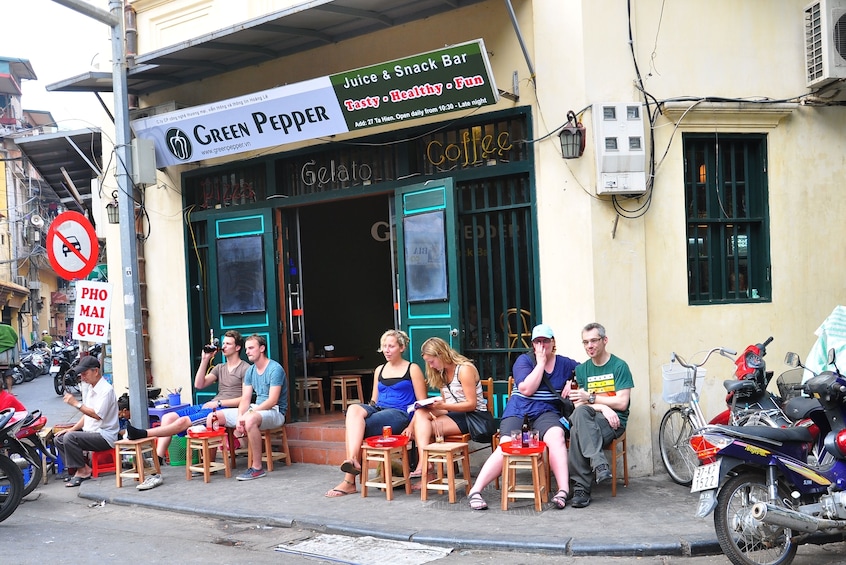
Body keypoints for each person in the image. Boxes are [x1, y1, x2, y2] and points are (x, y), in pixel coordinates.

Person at [466, 323, 579, 510]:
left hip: (547, 412)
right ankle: (475, 490)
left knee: (556, 436)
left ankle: (563, 491)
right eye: (538, 341)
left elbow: (585, 371)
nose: (542, 345)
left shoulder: (565, 363)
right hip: (519, 410)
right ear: (533, 344)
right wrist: (541, 364)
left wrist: (573, 381)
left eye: (546, 341)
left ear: (553, 342)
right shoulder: (524, 361)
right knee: (507, 445)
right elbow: (526, 389)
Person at [324, 329, 427, 497]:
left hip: (399, 413)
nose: (386, 350)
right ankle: (352, 460)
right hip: (379, 409)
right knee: (353, 410)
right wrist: (361, 414)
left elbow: (421, 404)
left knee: (356, 428)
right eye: (384, 346)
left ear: (401, 347)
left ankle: (349, 480)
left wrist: (411, 425)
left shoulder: (412, 368)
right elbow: (373, 400)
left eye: (391, 346)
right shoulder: (380, 369)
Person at [126, 330, 249, 464]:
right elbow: (199, 384)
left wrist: (218, 403)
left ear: (237, 347)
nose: (224, 346)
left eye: (228, 344)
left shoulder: (245, 368)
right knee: (168, 417)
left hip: (224, 408)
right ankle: (158, 458)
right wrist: (205, 360)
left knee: (181, 422)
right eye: (223, 343)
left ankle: (144, 433)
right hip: (210, 405)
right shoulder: (220, 367)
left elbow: (244, 398)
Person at [567, 322, 634, 509]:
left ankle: (581, 488)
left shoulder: (619, 366)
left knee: (576, 432)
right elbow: (579, 405)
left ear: (605, 340)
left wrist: (591, 398)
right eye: (585, 342)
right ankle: (599, 464)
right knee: (580, 416)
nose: (590, 346)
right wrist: (603, 407)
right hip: (594, 416)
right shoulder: (581, 370)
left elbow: (622, 403)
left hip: (614, 422)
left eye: (594, 340)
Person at [208, 334, 287, 481]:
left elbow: (272, 401)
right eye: (246, 349)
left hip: (275, 412)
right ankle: (211, 465)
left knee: (250, 419)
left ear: (262, 348)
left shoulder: (275, 369)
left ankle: (257, 468)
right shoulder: (250, 370)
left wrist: (248, 414)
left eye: (251, 348)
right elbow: (245, 398)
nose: (248, 352)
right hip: (256, 408)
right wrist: (239, 417)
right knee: (213, 417)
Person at [411, 337, 485, 481]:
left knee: (424, 429)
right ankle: (425, 464)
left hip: (472, 415)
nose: (430, 366)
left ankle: (426, 466)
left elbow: (471, 404)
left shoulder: (464, 369)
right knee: (420, 413)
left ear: (441, 354)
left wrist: (443, 406)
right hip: (453, 412)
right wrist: (433, 405)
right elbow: (446, 401)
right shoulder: (442, 372)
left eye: (431, 362)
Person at [53, 356, 119, 487]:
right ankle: (80, 468)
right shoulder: (91, 388)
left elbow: (96, 415)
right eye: (81, 374)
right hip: (91, 432)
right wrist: (71, 429)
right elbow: (87, 414)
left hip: (104, 436)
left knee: (70, 438)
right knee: (59, 438)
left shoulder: (106, 390)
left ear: (95, 371)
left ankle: (83, 471)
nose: (83, 378)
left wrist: (76, 404)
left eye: (85, 374)